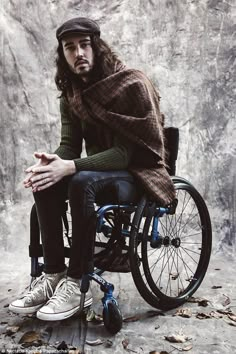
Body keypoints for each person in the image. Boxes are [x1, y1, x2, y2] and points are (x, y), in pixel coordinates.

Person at [9, 17, 175, 321]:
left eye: (84, 45)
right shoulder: (72, 94)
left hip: (137, 173)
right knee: (46, 182)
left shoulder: (131, 84)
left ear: (97, 48)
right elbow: (69, 147)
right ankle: (53, 275)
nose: (78, 53)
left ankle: (77, 283)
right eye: (69, 48)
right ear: (63, 54)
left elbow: (125, 155)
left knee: (80, 181)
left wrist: (70, 166)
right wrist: (50, 162)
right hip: (98, 173)